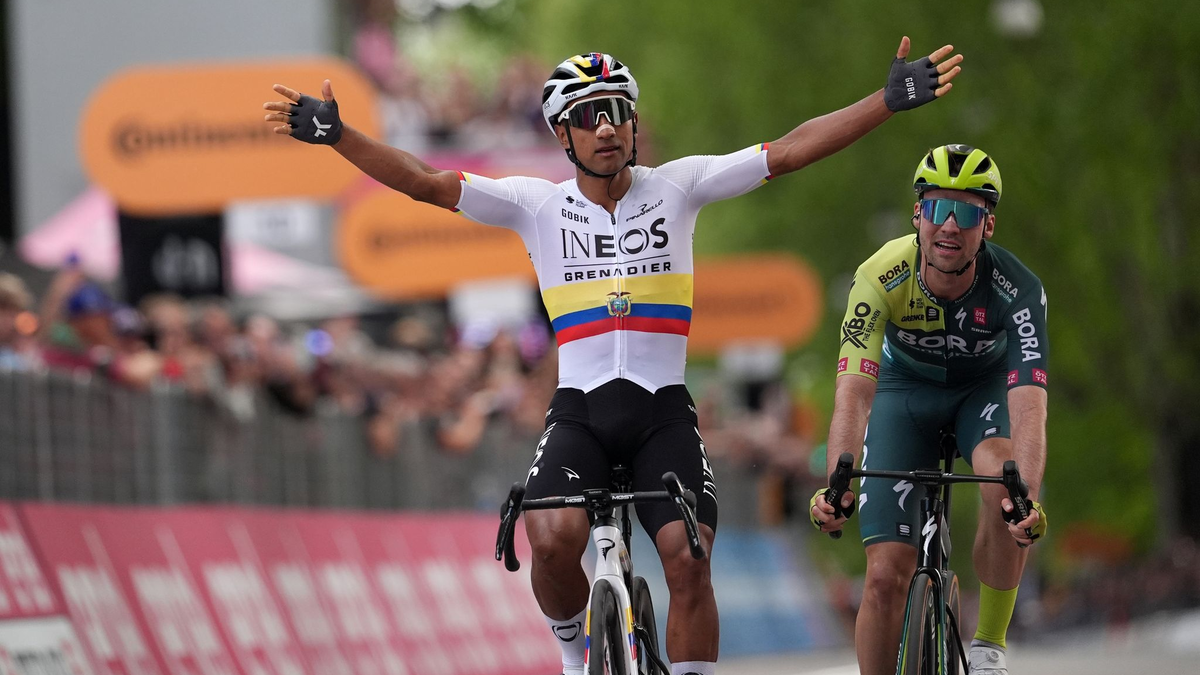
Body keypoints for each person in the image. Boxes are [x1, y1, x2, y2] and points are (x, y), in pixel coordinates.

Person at [265, 39, 962, 675]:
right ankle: (574, 657)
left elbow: (789, 150)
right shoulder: (534, 205)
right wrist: (339, 135)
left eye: (618, 113)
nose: (606, 126)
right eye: (589, 114)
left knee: (689, 563)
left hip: (662, 412)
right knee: (551, 535)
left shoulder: (679, 186)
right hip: (581, 413)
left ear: (632, 126)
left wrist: (887, 102)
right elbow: (423, 180)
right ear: (562, 134)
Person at [810, 144, 1049, 675]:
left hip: (980, 393)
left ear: (987, 225)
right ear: (917, 214)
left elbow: (1030, 405)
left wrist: (1027, 496)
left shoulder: (1019, 289)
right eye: (938, 208)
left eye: (966, 213)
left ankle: (988, 648)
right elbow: (853, 393)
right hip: (903, 392)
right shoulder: (879, 277)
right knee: (884, 576)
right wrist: (836, 483)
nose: (949, 226)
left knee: (1003, 482)